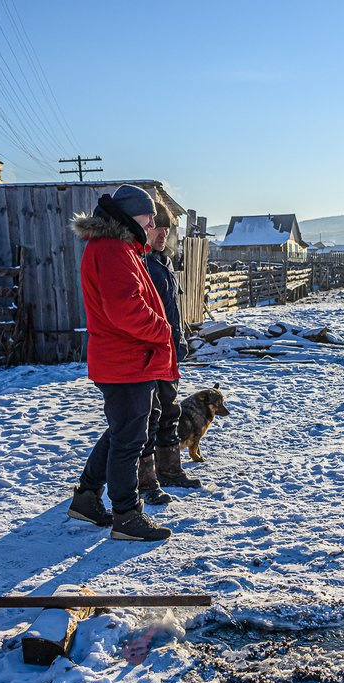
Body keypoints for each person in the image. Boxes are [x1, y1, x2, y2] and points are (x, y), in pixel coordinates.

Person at [67, 184, 176, 542]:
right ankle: (126, 516)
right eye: (147, 219)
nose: (150, 226)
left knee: (121, 431)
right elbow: (125, 309)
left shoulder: (118, 247)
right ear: (130, 215)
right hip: (127, 359)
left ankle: (86, 497)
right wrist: (163, 330)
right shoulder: (114, 250)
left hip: (124, 358)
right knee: (129, 438)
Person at [137, 208, 202, 502]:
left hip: (170, 349)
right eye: (157, 227)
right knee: (152, 415)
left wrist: (181, 337)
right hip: (153, 352)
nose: (163, 233)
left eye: (167, 229)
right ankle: (146, 477)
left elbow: (172, 307)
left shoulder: (164, 262)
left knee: (169, 410)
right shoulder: (144, 264)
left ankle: (170, 469)